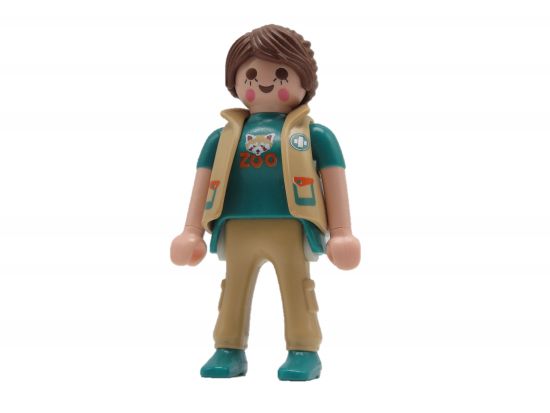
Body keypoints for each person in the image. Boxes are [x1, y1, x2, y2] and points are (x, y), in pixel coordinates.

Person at [170, 24, 360, 381]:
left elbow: (334, 179)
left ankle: (303, 349)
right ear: (235, 82)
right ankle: (228, 347)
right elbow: (202, 181)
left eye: (282, 74)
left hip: (291, 225)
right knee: (233, 288)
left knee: (297, 287)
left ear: (305, 82)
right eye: (252, 75)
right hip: (236, 226)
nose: (266, 83)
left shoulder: (314, 134)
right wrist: (191, 231)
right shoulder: (221, 137)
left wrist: (341, 232)